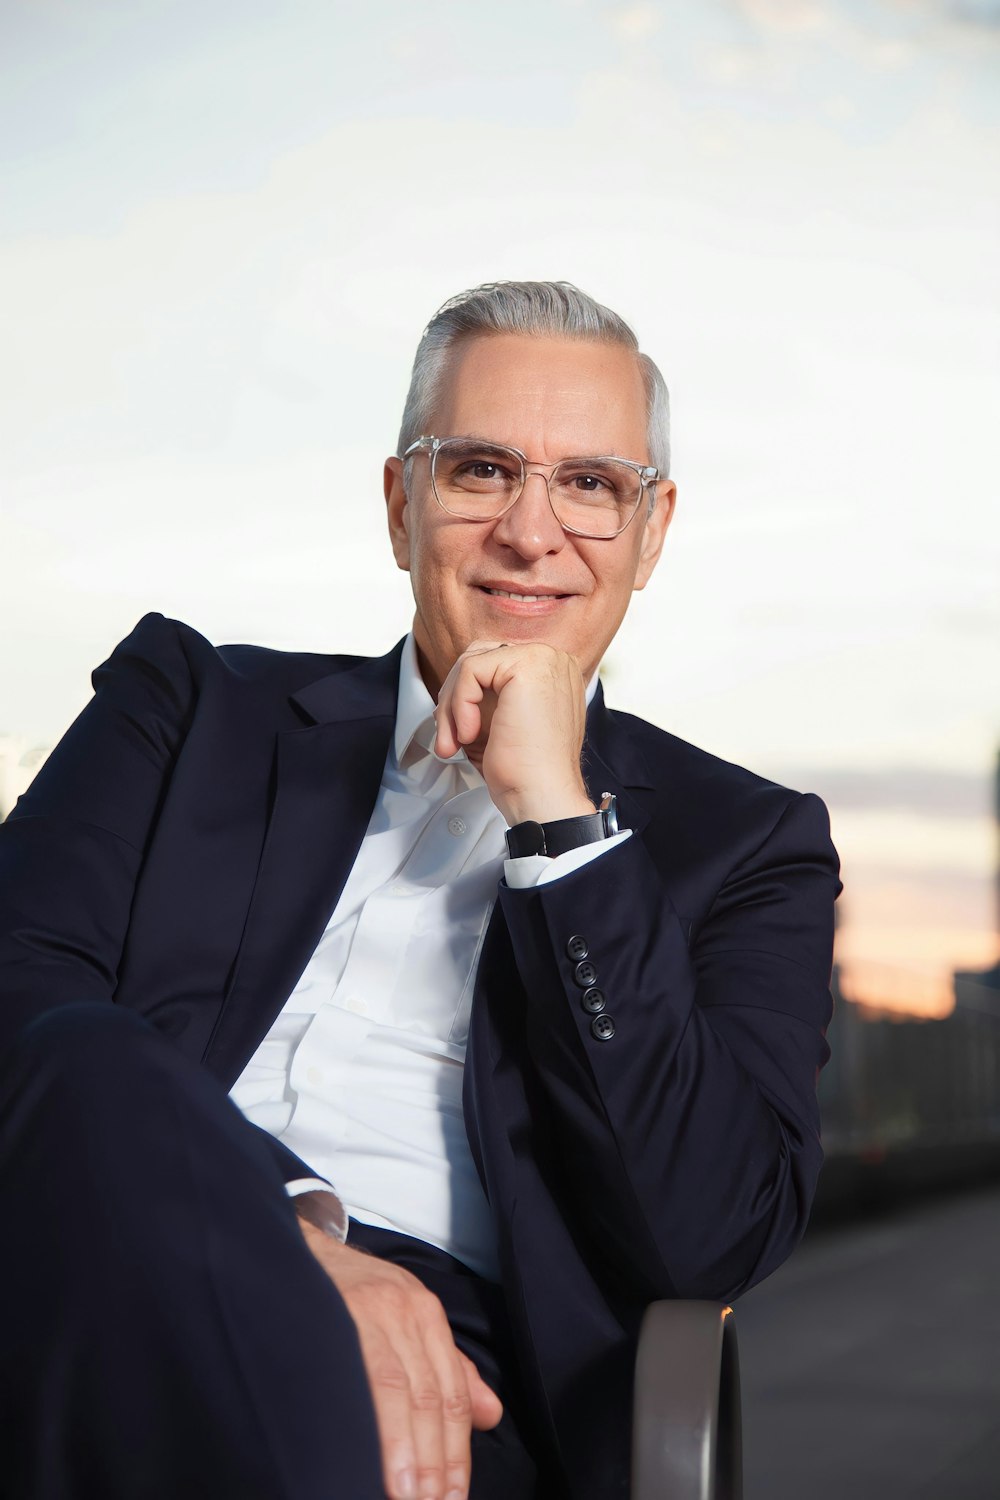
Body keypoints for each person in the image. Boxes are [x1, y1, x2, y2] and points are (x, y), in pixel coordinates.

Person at [0, 281, 840, 1500]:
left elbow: (710, 1234)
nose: (531, 533)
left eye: (593, 484)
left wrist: (560, 824)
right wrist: (280, 1234)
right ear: (402, 505)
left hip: (454, 1374)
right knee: (85, 1051)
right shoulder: (184, 708)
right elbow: (21, 1005)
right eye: (482, 470)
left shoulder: (750, 845)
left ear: (652, 533)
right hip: (94, 1254)